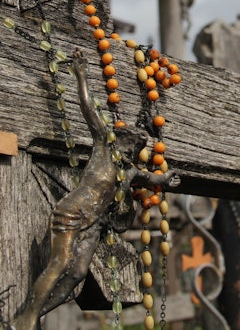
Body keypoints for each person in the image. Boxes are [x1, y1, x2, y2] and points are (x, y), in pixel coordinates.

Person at [12, 49, 180, 330]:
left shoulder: (129, 171)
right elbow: (88, 107)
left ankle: (36, 312)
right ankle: (26, 317)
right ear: (121, 140)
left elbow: (156, 181)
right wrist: (80, 75)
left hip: (94, 225)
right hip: (73, 213)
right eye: (131, 144)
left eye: (137, 148)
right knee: (60, 262)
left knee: (76, 274)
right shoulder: (104, 146)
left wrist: (169, 179)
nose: (133, 150)